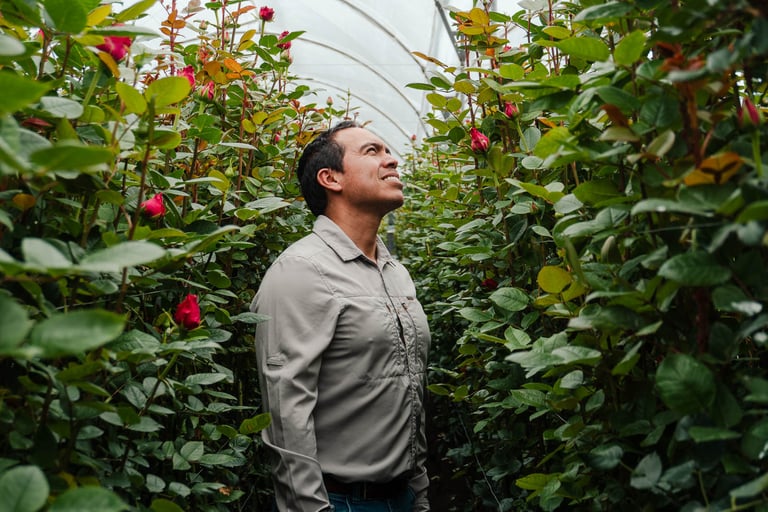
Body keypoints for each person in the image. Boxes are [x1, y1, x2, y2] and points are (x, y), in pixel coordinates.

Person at [251, 120, 431, 512]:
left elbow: (409, 392)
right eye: (373, 151)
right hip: (342, 502)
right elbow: (286, 412)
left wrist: (419, 494)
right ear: (330, 178)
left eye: (388, 151)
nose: (392, 160)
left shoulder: (396, 273)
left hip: (403, 496)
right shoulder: (300, 271)